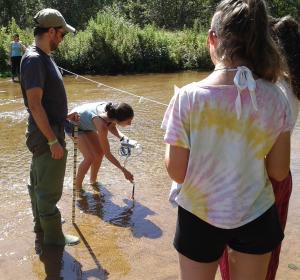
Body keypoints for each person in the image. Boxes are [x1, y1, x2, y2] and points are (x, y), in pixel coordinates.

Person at [162, 0, 292, 279]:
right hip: (256, 214)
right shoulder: (276, 97)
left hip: (199, 214)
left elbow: (177, 171)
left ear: (212, 38)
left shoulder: (187, 97)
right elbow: (279, 171)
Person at [219, 15, 300, 280]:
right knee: (267, 252)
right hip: (279, 176)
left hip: (253, 173)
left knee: (233, 250)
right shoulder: (291, 84)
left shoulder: (266, 87)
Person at [20, 8, 80, 247]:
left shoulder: (42, 58)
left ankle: (41, 229)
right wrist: (53, 141)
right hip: (47, 136)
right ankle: (54, 240)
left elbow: (44, 103)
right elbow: (34, 105)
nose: (62, 39)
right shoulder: (35, 59)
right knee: (48, 192)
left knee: (37, 183)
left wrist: (64, 116)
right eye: (62, 34)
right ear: (51, 31)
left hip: (46, 131)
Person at [65, 101, 135, 195]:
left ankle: (93, 182)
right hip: (73, 123)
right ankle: (77, 188)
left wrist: (123, 138)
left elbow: (111, 126)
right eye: (128, 121)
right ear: (117, 119)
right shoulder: (101, 125)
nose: (130, 124)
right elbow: (108, 154)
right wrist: (124, 170)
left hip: (86, 123)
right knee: (89, 157)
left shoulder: (113, 111)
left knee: (99, 153)